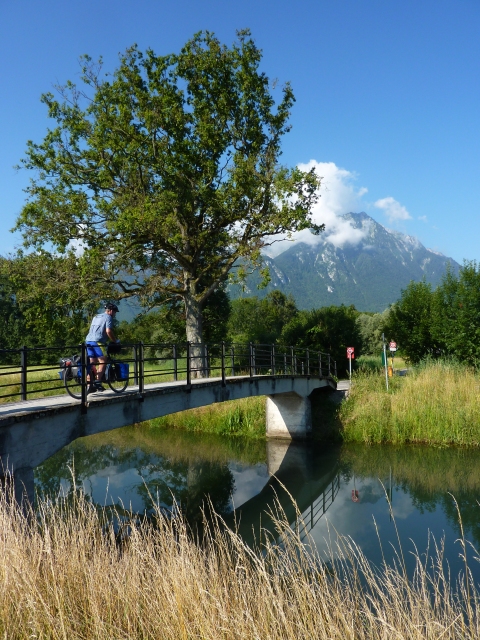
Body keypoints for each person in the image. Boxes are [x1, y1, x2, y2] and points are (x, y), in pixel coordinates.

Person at [85, 303, 120, 393]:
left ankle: (89, 384)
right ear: (111, 311)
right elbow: (108, 331)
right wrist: (115, 341)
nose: (115, 314)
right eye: (115, 312)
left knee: (92, 362)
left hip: (88, 340)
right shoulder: (108, 317)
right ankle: (98, 381)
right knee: (103, 360)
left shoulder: (96, 316)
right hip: (98, 341)